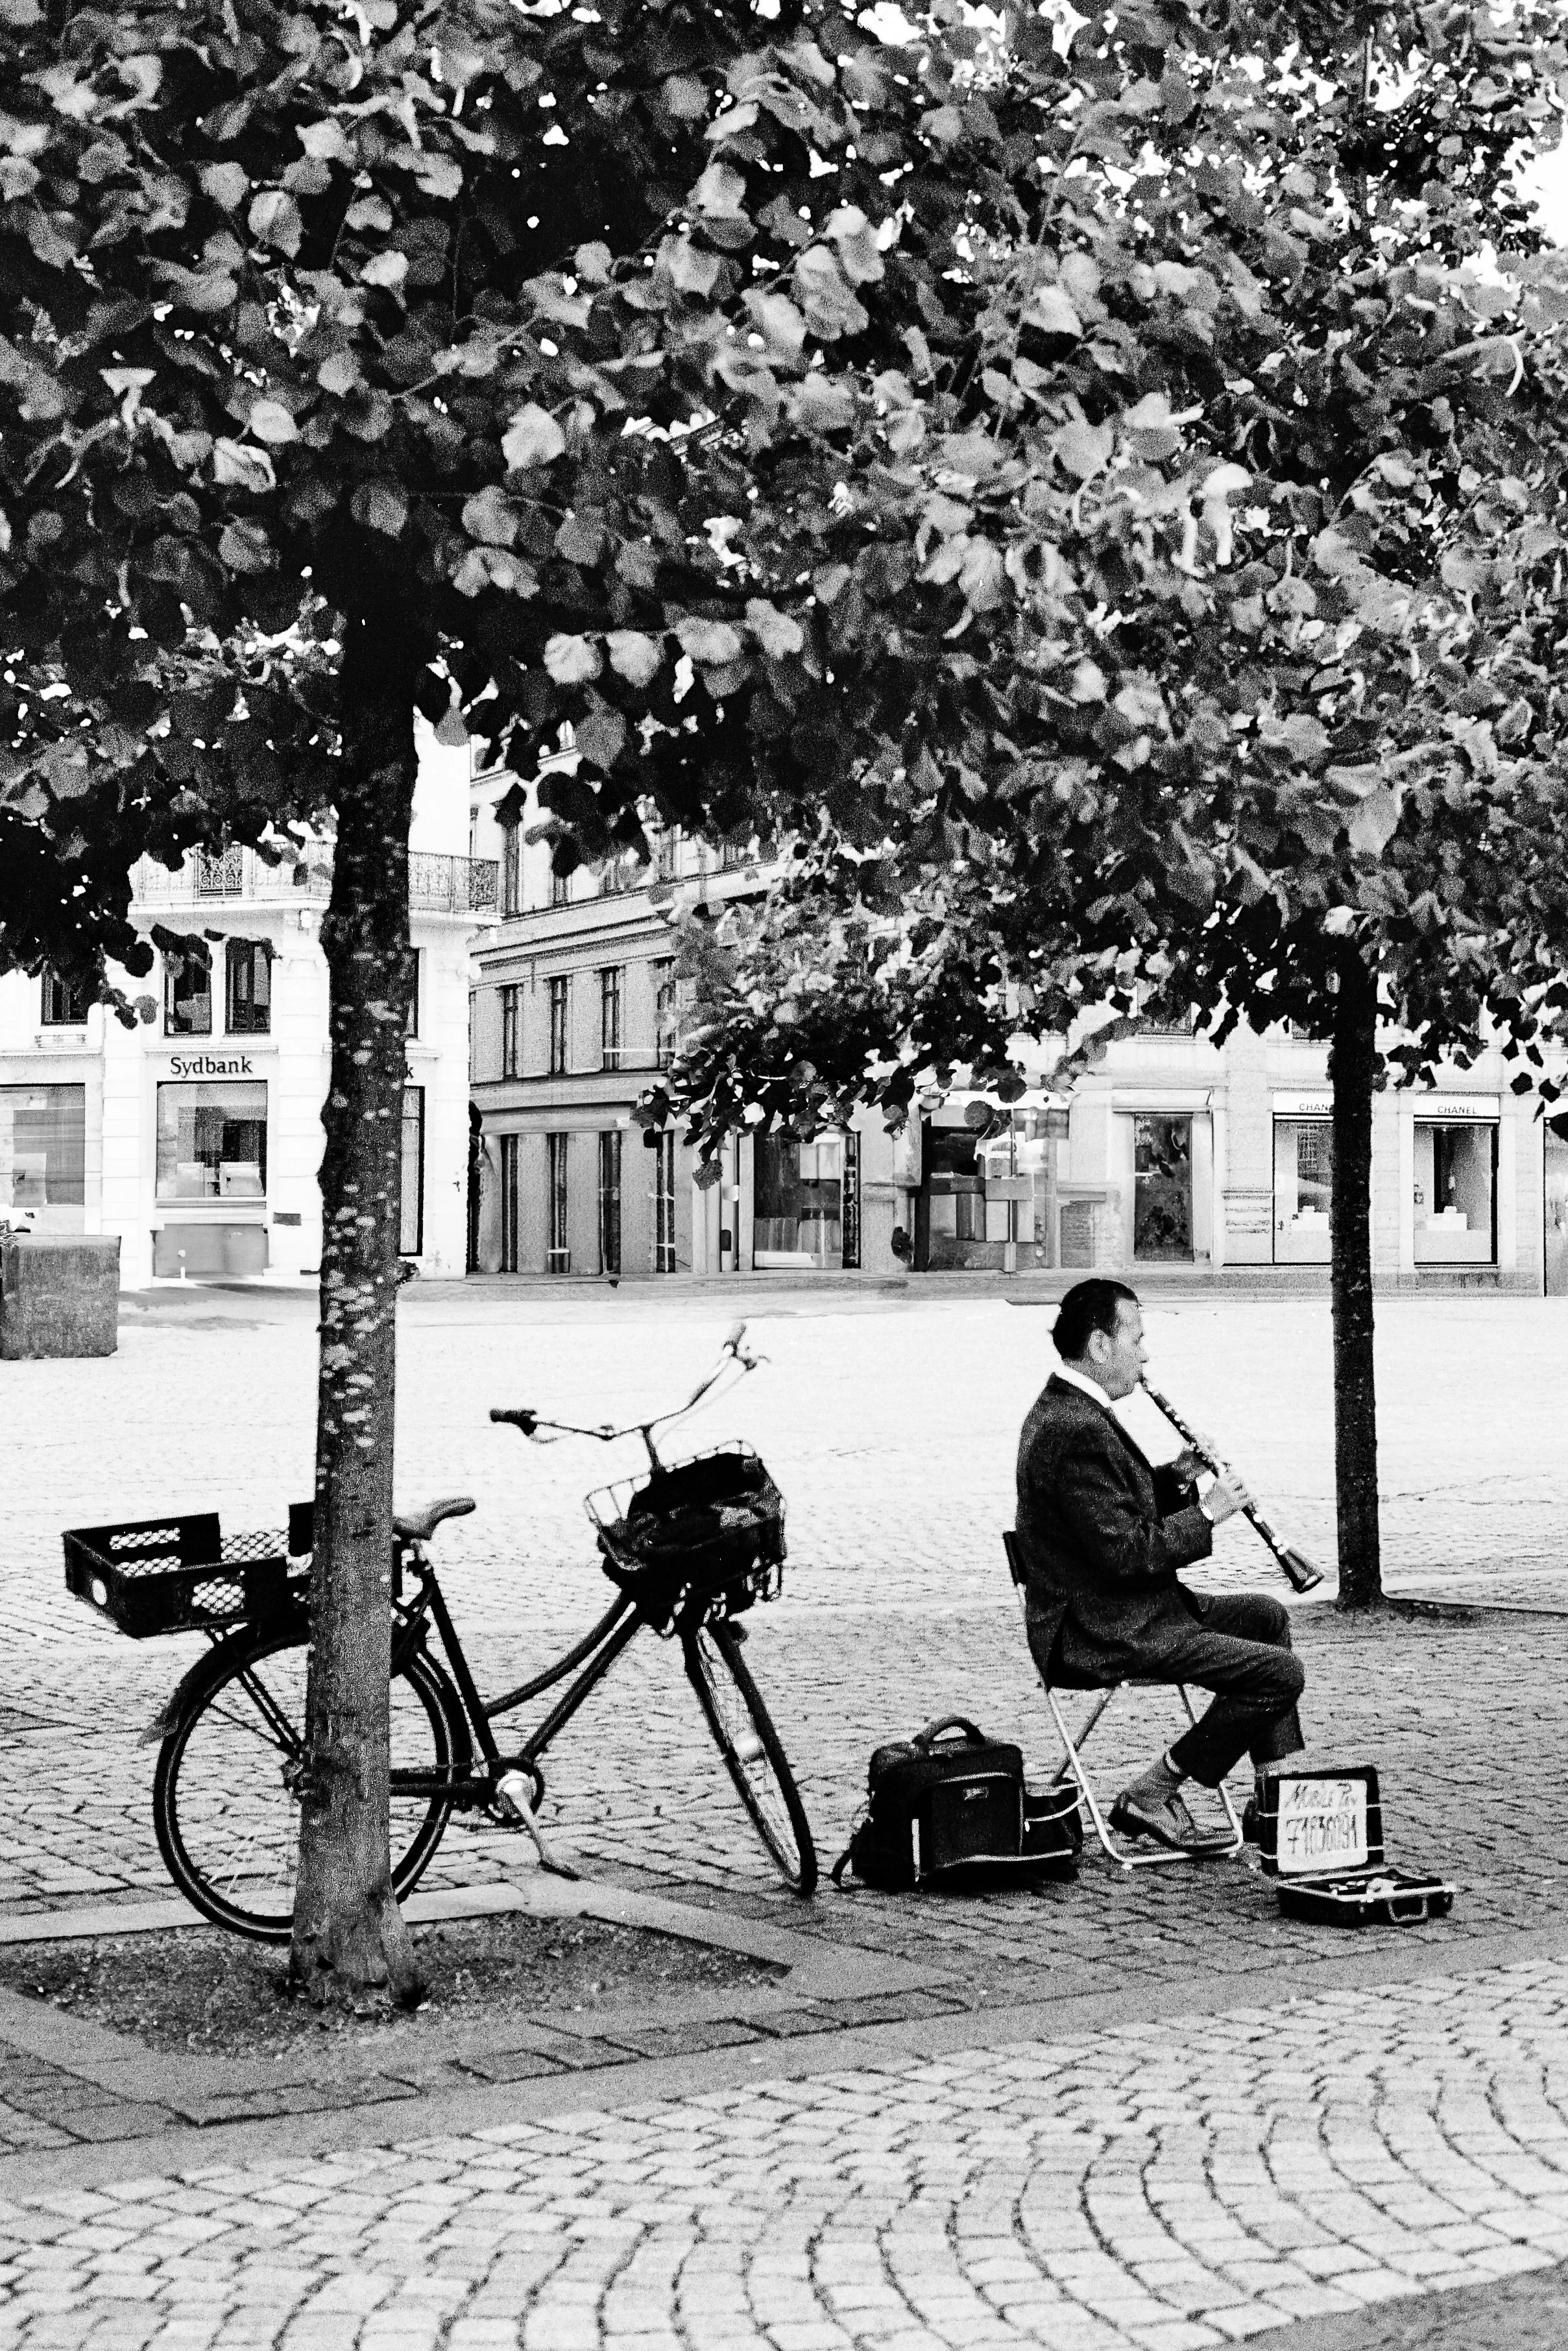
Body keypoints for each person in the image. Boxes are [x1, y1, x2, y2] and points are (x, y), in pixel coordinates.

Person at [1015, 1277, 1306, 1853]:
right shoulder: (1072, 1428)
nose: (1144, 1355)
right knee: (1278, 1673)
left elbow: (1118, 1514)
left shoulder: (1076, 1411)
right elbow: (1126, 1554)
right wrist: (1208, 1513)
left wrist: (1179, 1475)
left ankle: (1277, 1796)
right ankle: (1152, 1791)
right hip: (1099, 1629)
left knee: (1265, 1617)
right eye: (1137, 1339)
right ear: (1100, 1346)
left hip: (1127, 1611)